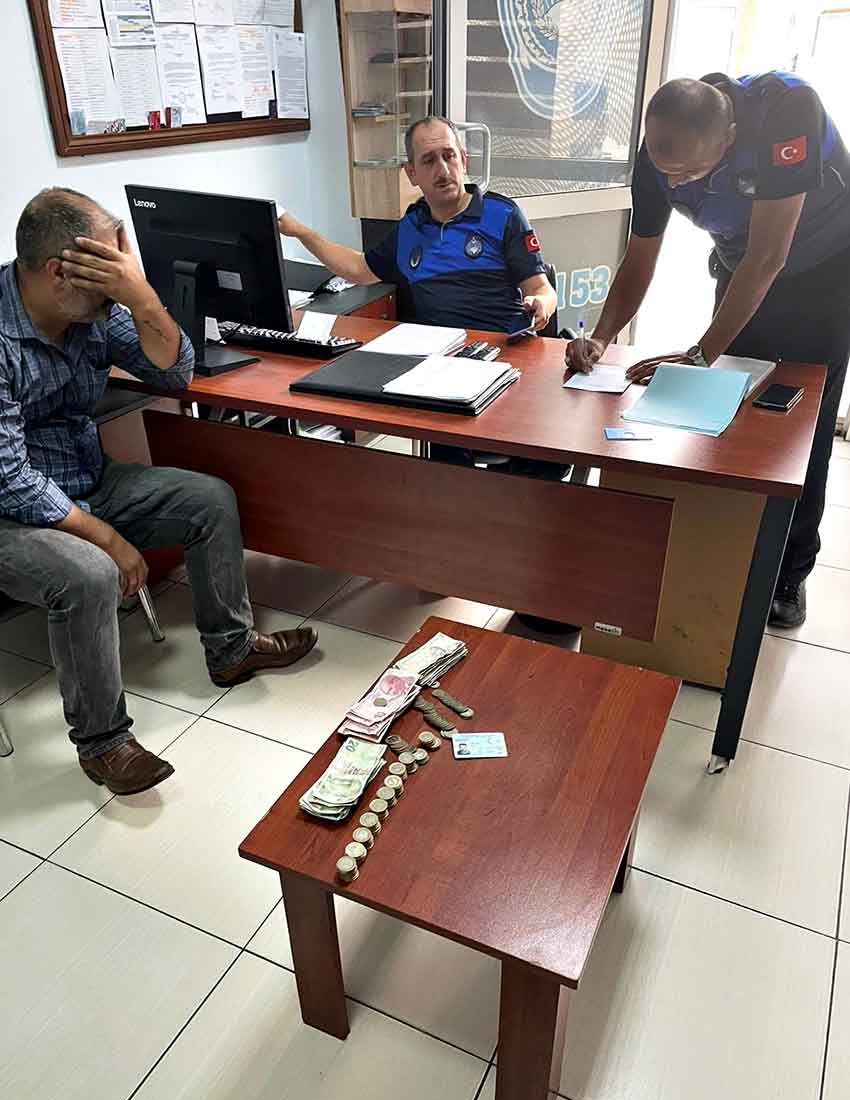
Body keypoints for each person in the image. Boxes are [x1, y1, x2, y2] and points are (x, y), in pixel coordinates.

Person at [0, 188, 318, 796]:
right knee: (89, 573)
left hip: (85, 480)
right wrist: (108, 539)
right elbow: (11, 481)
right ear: (60, 271)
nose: (118, 273)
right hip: (10, 514)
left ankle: (231, 649)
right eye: (110, 263)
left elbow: (174, 372)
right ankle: (103, 743)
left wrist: (142, 297)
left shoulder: (93, 306)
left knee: (208, 500)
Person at [566, 73, 850, 629]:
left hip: (827, 270)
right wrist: (602, 336)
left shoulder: (787, 113)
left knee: (801, 422)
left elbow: (770, 257)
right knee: (729, 409)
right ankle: (732, 546)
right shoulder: (659, 152)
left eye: (689, 174)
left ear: (730, 138)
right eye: (666, 171)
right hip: (742, 265)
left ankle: (790, 570)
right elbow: (640, 256)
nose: (676, 183)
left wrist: (699, 355)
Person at [278, 114, 558, 336]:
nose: (443, 170)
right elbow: (360, 269)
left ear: (463, 160)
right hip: (439, 358)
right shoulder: (411, 226)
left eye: (449, 156)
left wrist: (541, 304)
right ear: (412, 173)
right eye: (429, 160)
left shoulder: (503, 215)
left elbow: (541, 289)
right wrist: (300, 232)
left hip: (504, 349)